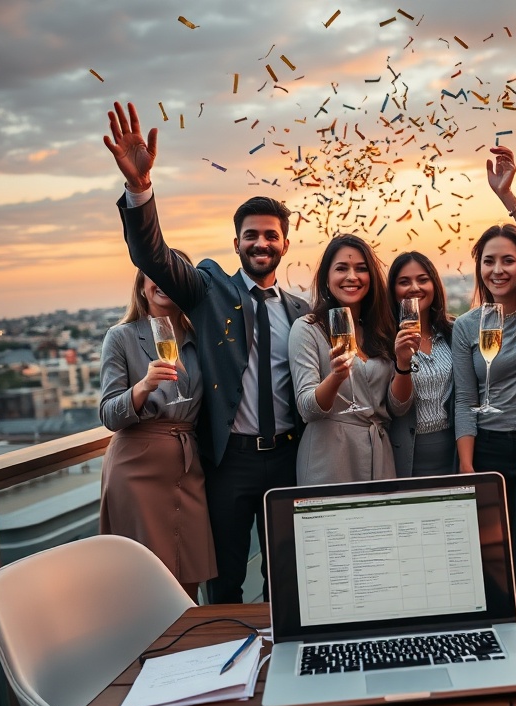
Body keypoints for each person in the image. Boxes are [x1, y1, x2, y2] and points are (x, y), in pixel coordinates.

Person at [104, 101, 309, 604]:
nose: (260, 243)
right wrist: (140, 189)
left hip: (289, 458)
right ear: (236, 243)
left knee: (293, 578)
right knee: (227, 584)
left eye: (270, 236)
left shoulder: (305, 312)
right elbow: (153, 256)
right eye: (251, 235)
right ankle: (230, 671)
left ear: (285, 244)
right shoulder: (208, 289)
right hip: (229, 462)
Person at [451, 146, 516, 593]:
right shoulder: (467, 326)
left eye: (508, 259)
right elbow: (464, 399)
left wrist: (508, 197)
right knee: (489, 571)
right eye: (489, 261)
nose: (497, 269)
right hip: (486, 454)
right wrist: (468, 466)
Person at [98, 257, 216, 601]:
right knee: (143, 581)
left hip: (187, 468)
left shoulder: (199, 335)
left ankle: (188, 651)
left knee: (189, 570)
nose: (163, 281)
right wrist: (144, 386)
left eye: (173, 275)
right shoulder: (120, 337)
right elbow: (109, 414)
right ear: (141, 284)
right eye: (155, 274)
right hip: (137, 472)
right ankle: (148, 653)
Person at [289, 234, 414, 484]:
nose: (352, 277)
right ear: (326, 277)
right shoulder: (308, 328)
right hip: (328, 458)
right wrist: (336, 377)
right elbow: (307, 408)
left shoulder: (382, 328)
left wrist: (403, 365)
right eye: (341, 268)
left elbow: (398, 408)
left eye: (361, 269)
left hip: (379, 454)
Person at [387, 251, 457, 477]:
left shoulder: (453, 333)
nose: (414, 287)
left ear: (434, 284)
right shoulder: (385, 340)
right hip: (407, 459)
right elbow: (398, 407)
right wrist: (402, 361)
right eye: (404, 282)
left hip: (454, 454)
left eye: (423, 279)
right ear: (393, 290)